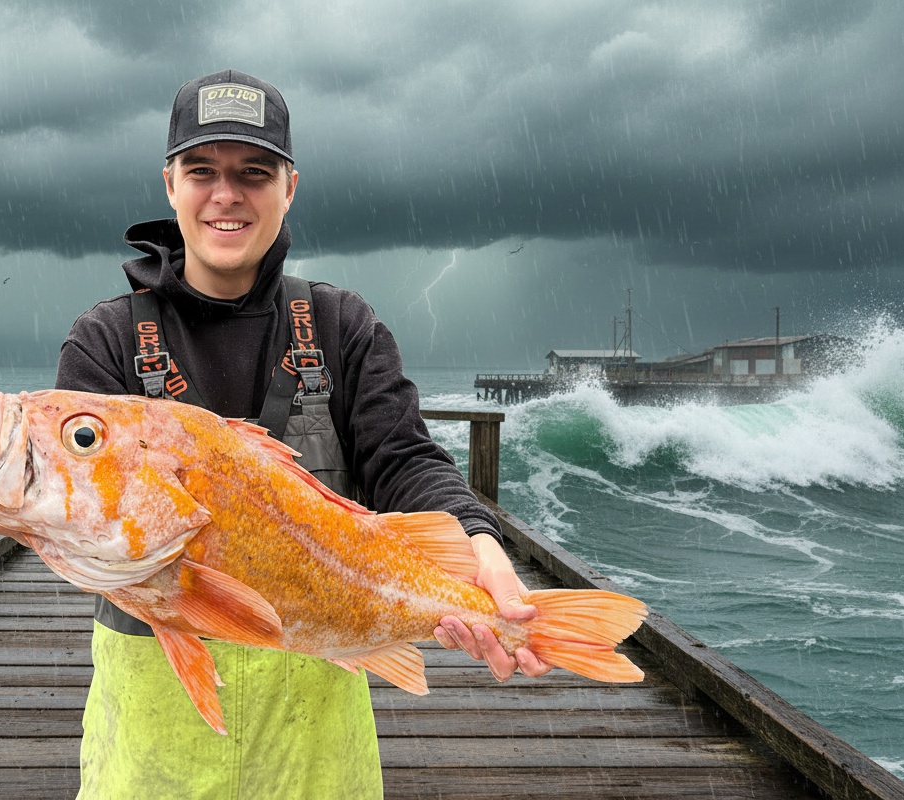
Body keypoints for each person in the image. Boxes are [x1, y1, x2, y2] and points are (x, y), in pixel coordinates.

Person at [55, 69, 549, 799]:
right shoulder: (106, 339)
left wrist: (475, 541)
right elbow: (76, 507)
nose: (227, 195)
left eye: (254, 173)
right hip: (153, 734)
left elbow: (403, 458)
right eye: (202, 171)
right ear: (169, 184)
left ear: (290, 187)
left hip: (315, 732)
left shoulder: (343, 326)